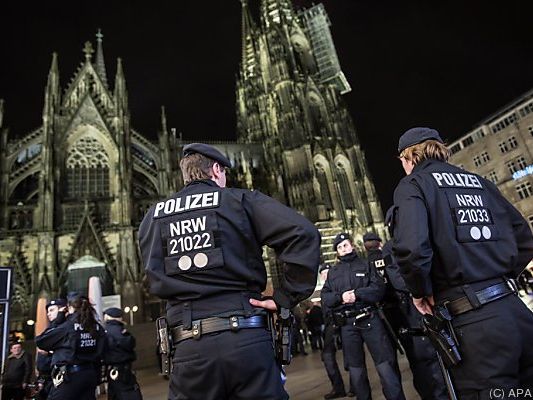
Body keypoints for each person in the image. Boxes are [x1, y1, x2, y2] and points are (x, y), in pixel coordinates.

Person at [138, 143, 320, 400]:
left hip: (187, 346)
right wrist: (285, 297)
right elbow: (304, 234)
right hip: (245, 336)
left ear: (185, 174)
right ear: (215, 170)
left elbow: (151, 273)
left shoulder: (152, 218)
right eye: (223, 172)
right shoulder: (240, 200)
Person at [392, 127, 533, 398]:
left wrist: (421, 292)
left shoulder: (414, 185)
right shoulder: (477, 181)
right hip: (516, 312)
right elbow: (525, 238)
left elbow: (412, 249)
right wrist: (498, 278)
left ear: (409, 157)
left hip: (475, 326)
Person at [364, 230, 447, 400]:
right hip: (410, 306)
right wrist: (421, 289)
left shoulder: (381, 253)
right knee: (423, 358)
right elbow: (396, 277)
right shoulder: (391, 247)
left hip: (406, 307)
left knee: (425, 358)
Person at [321, 233, 406, 400]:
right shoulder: (333, 272)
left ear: (352, 245)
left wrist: (357, 294)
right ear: (337, 252)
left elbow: (378, 289)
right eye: (339, 247)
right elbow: (326, 298)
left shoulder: (366, 264)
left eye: (345, 245)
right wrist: (341, 298)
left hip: (370, 318)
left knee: (385, 366)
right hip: (347, 324)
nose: (343, 249)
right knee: (356, 370)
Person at [35, 295, 106, 400]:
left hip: (70, 376)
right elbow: (101, 350)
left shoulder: (68, 326)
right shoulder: (96, 327)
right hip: (89, 373)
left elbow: (41, 341)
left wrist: (57, 321)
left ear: (68, 308)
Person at [319, 264, 347, 400]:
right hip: (330, 325)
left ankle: (355, 385)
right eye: (323, 273)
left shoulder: (339, 284)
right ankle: (338, 387)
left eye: (327, 272)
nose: (325, 275)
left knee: (351, 355)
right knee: (327, 356)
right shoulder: (324, 291)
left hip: (343, 323)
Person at [103, 307, 143, 400]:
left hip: (113, 369)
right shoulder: (121, 331)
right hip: (124, 369)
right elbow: (130, 344)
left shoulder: (106, 331)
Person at [36, 298, 68, 399]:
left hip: (59, 376)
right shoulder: (51, 328)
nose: (48, 314)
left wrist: (50, 352)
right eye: (48, 311)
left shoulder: (65, 328)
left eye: (52, 310)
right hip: (46, 378)